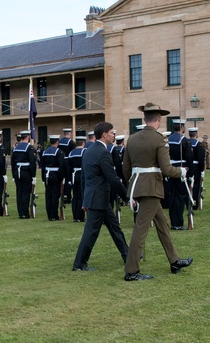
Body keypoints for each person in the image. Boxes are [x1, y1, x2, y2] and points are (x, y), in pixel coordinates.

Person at [122, 103, 193, 281]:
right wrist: (181, 172)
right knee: (141, 229)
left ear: (144, 119)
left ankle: (174, 260)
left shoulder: (132, 139)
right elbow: (167, 169)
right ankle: (131, 271)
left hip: (138, 185)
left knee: (162, 224)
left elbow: (126, 168)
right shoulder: (159, 139)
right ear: (159, 120)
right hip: (152, 188)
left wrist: (133, 188)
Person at [73, 122, 129, 271]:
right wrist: (127, 197)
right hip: (99, 199)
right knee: (90, 233)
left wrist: (85, 199)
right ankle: (79, 264)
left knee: (115, 229)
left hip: (97, 198)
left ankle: (128, 255)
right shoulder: (103, 152)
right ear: (104, 135)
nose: (113, 135)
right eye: (111, 132)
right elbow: (113, 178)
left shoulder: (88, 151)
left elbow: (84, 178)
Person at [166, 119, 192, 229]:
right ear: (181, 128)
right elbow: (189, 158)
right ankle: (178, 223)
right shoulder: (184, 140)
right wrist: (189, 172)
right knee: (180, 197)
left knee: (172, 196)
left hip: (170, 169)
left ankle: (173, 222)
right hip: (181, 170)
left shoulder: (167, 140)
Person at [11, 130, 38, 219]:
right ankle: (25, 213)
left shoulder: (16, 148)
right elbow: (32, 163)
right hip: (26, 172)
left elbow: (12, 163)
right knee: (26, 192)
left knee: (19, 192)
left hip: (17, 172)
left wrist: (13, 174)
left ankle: (20, 212)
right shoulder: (30, 148)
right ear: (28, 137)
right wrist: (33, 175)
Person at [41, 135, 66, 220]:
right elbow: (61, 165)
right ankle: (54, 215)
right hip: (55, 175)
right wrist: (61, 177)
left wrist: (43, 178)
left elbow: (42, 166)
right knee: (55, 195)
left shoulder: (45, 152)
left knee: (48, 195)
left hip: (47, 175)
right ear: (57, 142)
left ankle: (49, 215)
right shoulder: (59, 152)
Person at [67, 135, 86, 222]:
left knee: (75, 195)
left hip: (73, 175)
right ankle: (80, 216)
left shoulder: (71, 153)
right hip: (82, 174)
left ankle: (75, 215)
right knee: (81, 195)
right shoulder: (85, 151)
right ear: (83, 143)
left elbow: (68, 166)